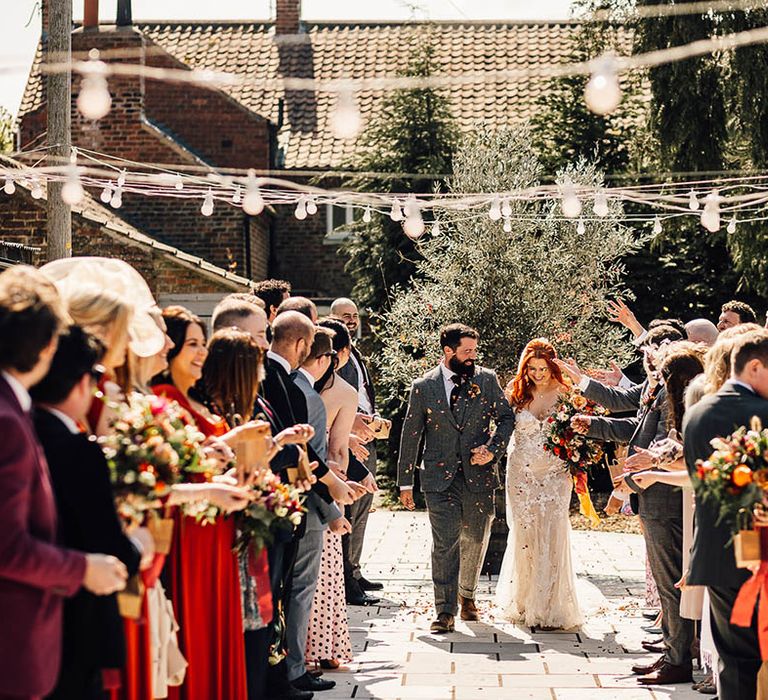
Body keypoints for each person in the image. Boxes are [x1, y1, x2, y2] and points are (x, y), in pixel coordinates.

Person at [0, 266, 128, 700]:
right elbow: (7, 546)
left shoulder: (16, 412)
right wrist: (84, 568)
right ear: (48, 345)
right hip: (18, 642)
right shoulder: (8, 423)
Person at [558, 324, 696, 685]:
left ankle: (678, 659)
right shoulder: (659, 390)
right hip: (651, 494)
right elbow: (634, 427)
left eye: (655, 357)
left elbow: (669, 442)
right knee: (666, 581)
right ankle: (671, 652)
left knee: (669, 581)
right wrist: (595, 425)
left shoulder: (675, 396)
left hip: (665, 497)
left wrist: (647, 464)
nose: (649, 362)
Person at [30, 326, 150, 700]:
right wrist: (137, 546)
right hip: (76, 615)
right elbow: (108, 544)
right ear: (83, 382)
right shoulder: (77, 449)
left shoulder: (26, 428)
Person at [152, 307, 252, 700]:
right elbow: (172, 472)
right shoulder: (163, 400)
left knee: (219, 627)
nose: (200, 353)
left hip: (218, 532)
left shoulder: (198, 402)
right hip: (188, 533)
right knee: (195, 627)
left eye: (202, 345)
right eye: (192, 344)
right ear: (171, 348)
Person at [397, 323, 514, 633]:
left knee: (476, 537)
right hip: (438, 478)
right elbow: (411, 435)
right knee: (445, 542)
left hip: (478, 475)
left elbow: (506, 417)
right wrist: (405, 482)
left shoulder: (487, 380)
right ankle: (444, 611)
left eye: (475, 351)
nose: (472, 357)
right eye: (467, 352)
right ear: (448, 352)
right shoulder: (424, 386)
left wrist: (492, 449)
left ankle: (468, 596)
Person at [683, 330, 768, 700]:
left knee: (733, 660)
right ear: (754, 366)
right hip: (762, 552)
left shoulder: (697, 413)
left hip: (717, 553)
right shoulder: (763, 413)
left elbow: (699, 486)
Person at [495, 339, 582, 629]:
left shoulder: (568, 393)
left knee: (553, 531)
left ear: (552, 366)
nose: (537, 374)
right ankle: (524, 600)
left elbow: (580, 431)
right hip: (522, 473)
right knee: (525, 531)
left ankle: (550, 605)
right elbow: (501, 427)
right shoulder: (517, 392)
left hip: (556, 474)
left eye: (543, 368)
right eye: (531, 368)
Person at [287, 328, 344, 694]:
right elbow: (309, 462)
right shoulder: (308, 396)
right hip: (307, 508)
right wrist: (332, 508)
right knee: (301, 588)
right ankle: (294, 668)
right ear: (324, 360)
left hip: (292, 503)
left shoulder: (290, 383)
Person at [305, 318, 359, 672]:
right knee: (313, 575)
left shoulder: (338, 392)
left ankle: (313, 647)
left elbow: (338, 450)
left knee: (313, 575)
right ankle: (313, 647)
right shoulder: (303, 385)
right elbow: (336, 451)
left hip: (317, 484)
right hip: (318, 483)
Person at [331, 297, 382, 605]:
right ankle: (347, 575)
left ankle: (356, 569)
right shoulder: (336, 356)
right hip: (346, 438)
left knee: (363, 504)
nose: (352, 320)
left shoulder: (357, 353)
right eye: (345, 316)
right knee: (350, 504)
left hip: (365, 434)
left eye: (354, 316)